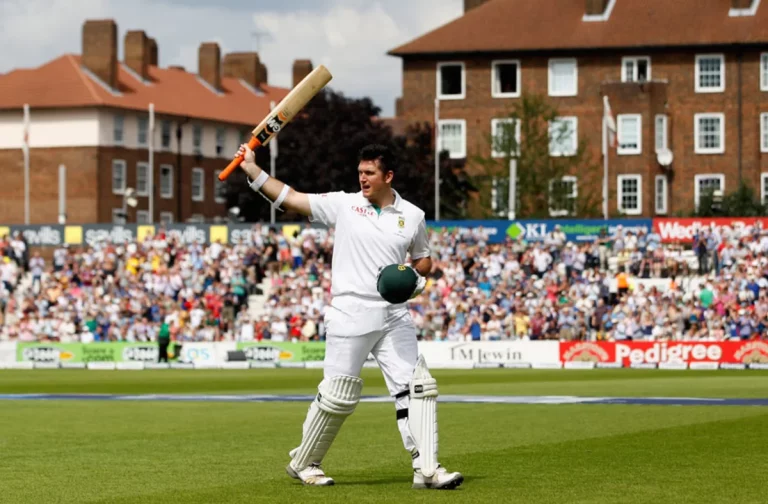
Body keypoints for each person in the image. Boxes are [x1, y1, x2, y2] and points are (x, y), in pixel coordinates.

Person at [235, 142, 463, 490]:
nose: (362, 179)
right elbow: (292, 198)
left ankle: (427, 469)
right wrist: (252, 170)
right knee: (338, 394)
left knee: (416, 387)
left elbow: (423, 259)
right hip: (350, 311)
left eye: (369, 173)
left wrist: (414, 279)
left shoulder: (413, 215)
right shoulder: (345, 204)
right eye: (360, 172)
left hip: (394, 315)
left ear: (388, 176)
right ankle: (304, 462)